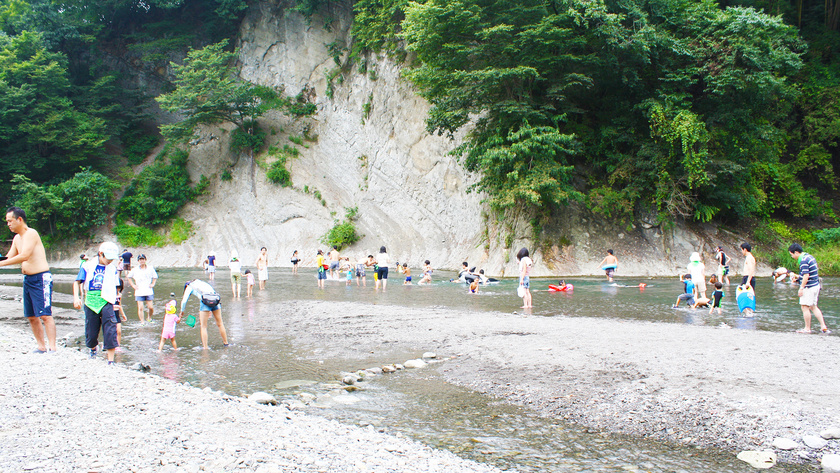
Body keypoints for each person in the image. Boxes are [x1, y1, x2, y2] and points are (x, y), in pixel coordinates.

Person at [0, 207, 56, 353]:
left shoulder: (31, 233)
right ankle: (41, 347)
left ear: (19, 219)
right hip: (28, 279)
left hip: (41, 278)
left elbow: (24, 255)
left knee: (45, 314)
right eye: (7, 222)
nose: (8, 224)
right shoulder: (17, 238)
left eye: (10, 221)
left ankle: (53, 347)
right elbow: (9, 257)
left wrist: (1, 264)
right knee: (31, 316)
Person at [73, 242, 121, 363]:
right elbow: (77, 282)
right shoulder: (87, 266)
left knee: (110, 328)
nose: (110, 261)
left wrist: (117, 302)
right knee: (91, 331)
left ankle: (111, 360)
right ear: (101, 254)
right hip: (90, 300)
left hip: (107, 299)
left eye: (112, 258)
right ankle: (93, 348)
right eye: (108, 258)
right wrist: (76, 297)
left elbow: (116, 287)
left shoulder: (113, 269)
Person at [789, 243, 830, 334]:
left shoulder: (803, 260)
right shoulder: (809, 257)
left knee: (805, 307)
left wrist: (801, 288)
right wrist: (798, 278)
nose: (792, 257)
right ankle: (823, 326)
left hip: (809, 287)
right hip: (816, 285)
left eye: (791, 254)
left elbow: (806, 275)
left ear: (796, 252)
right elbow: (808, 274)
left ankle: (807, 328)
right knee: (813, 306)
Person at [181, 279, 228, 349]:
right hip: (215, 300)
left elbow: (184, 301)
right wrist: (210, 310)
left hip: (205, 303)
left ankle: (205, 347)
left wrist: (181, 312)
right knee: (220, 323)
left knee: (203, 326)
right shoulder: (202, 283)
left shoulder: (189, 287)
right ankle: (226, 343)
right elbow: (211, 293)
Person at [128, 254, 157, 322]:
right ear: (138, 261)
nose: (142, 261)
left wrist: (153, 284)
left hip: (148, 290)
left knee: (151, 307)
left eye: (143, 259)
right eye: (140, 259)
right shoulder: (135, 269)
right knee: (141, 307)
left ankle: (149, 318)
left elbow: (155, 276)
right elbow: (129, 277)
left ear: (145, 260)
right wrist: (133, 285)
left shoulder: (150, 268)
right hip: (139, 291)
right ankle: (142, 321)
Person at [114, 279, 128, 349]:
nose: (117, 289)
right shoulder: (109, 295)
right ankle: (107, 344)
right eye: (116, 288)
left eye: (119, 288)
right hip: (110, 313)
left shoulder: (119, 295)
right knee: (110, 331)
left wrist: (123, 314)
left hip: (117, 314)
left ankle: (118, 345)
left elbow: (120, 305)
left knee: (119, 331)